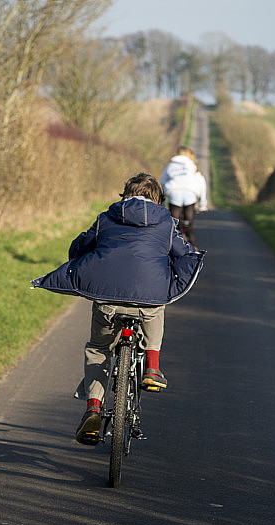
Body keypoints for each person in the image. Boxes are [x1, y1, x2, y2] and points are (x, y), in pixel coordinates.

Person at [31, 173, 205, 445]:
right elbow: (185, 254)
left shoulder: (106, 218)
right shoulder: (165, 222)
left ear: (125, 195)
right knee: (157, 305)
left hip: (107, 298)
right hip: (147, 298)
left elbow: (79, 247)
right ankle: (152, 369)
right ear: (158, 198)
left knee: (99, 348)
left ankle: (93, 408)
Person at [159, 146, 208, 246]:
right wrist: (202, 204)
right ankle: (194, 249)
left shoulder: (171, 165)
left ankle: (170, 248)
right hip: (190, 194)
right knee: (189, 225)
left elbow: (162, 182)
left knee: (173, 226)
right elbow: (202, 184)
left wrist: (162, 203)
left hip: (174, 193)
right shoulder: (193, 166)